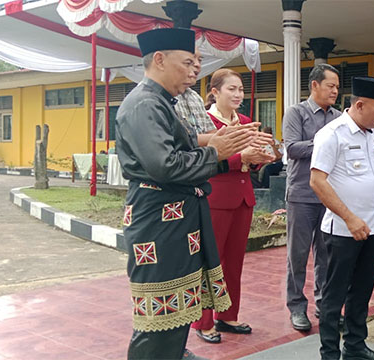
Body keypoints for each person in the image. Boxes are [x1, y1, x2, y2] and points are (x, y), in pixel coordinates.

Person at [117, 28, 267, 360]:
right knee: (158, 317)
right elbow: (164, 165)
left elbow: (182, 145)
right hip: (158, 223)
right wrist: (218, 151)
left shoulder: (163, 102)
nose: (192, 71)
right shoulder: (144, 104)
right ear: (159, 60)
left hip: (175, 221)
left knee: (178, 311)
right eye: (186, 63)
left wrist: (220, 142)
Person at [310, 76, 374, 360]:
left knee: (362, 291)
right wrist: (350, 218)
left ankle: (355, 346)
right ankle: (330, 353)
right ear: (360, 104)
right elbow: (317, 181)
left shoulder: (372, 135)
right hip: (342, 231)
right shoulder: (332, 134)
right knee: (333, 296)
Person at [191, 69, 275, 344]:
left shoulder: (247, 121)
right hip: (215, 197)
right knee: (209, 260)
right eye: (232, 89)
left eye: (240, 89)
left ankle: (227, 314)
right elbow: (204, 162)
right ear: (215, 92)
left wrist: (263, 157)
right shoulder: (206, 123)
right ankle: (203, 321)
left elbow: (253, 160)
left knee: (235, 261)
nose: (238, 94)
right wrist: (242, 158)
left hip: (243, 197)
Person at [282, 63, 341, 331]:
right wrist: (326, 142)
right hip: (302, 194)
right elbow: (292, 148)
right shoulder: (296, 113)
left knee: (327, 255)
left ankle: (324, 305)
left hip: (330, 196)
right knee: (298, 254)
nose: (335, 92)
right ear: (315, 85)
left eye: (338, 87)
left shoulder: (341, 117)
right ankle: (296, 307)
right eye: (331, 86)